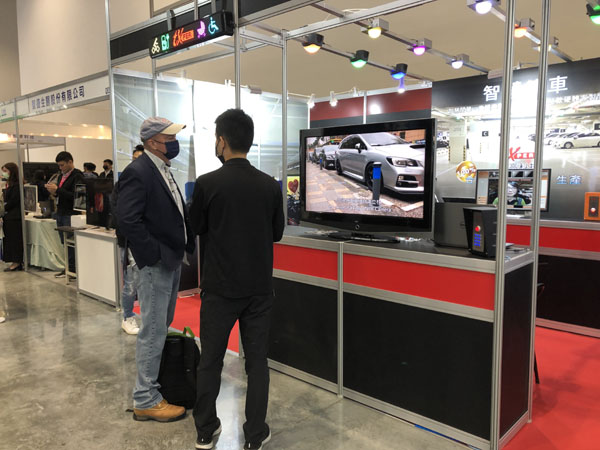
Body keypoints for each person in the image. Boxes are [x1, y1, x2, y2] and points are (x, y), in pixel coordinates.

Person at [190, 109, 285, 450]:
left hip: (219, 288)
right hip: (258, 289)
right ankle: (255, 435)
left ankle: (205, 430)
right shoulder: (270, 185)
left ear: (222, 141)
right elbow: (277, 233)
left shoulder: (206, 184)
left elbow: (196, 226)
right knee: (257, 363)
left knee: (210, 360)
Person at [117, 117, 195, 422]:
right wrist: (153, 255)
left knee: (161, 326)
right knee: (152, 330)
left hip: (170, 260)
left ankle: (152, 389)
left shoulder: (162, 169)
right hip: (156, 264)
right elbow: (128, 219)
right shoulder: (139, 172)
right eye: (169, 138)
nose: (175, 143)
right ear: (152, 142)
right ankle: (145, 398)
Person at [45, 151, 84, 278]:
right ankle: (68, 267)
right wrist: (53, 192)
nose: (60, 168)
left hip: (71, 213)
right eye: (59, 165)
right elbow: (61, 193)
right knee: (64, 242)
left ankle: (73, 269)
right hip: (60, 212)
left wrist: (58, 190)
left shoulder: (77, 176)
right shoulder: (61, 176)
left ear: (70, 162)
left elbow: (76, 196)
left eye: (62, 165)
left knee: (71, 242)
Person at [1, 163, 24, 272]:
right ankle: (13, 261)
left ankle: (17, 262)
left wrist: (3, 208)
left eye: (5, 171)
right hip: (8, 216)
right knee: (10, 240)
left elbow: (13, 201)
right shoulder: (9, 184)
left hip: (14, 217)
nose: (3, 173)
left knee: (15, 240)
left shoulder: (17, 185)